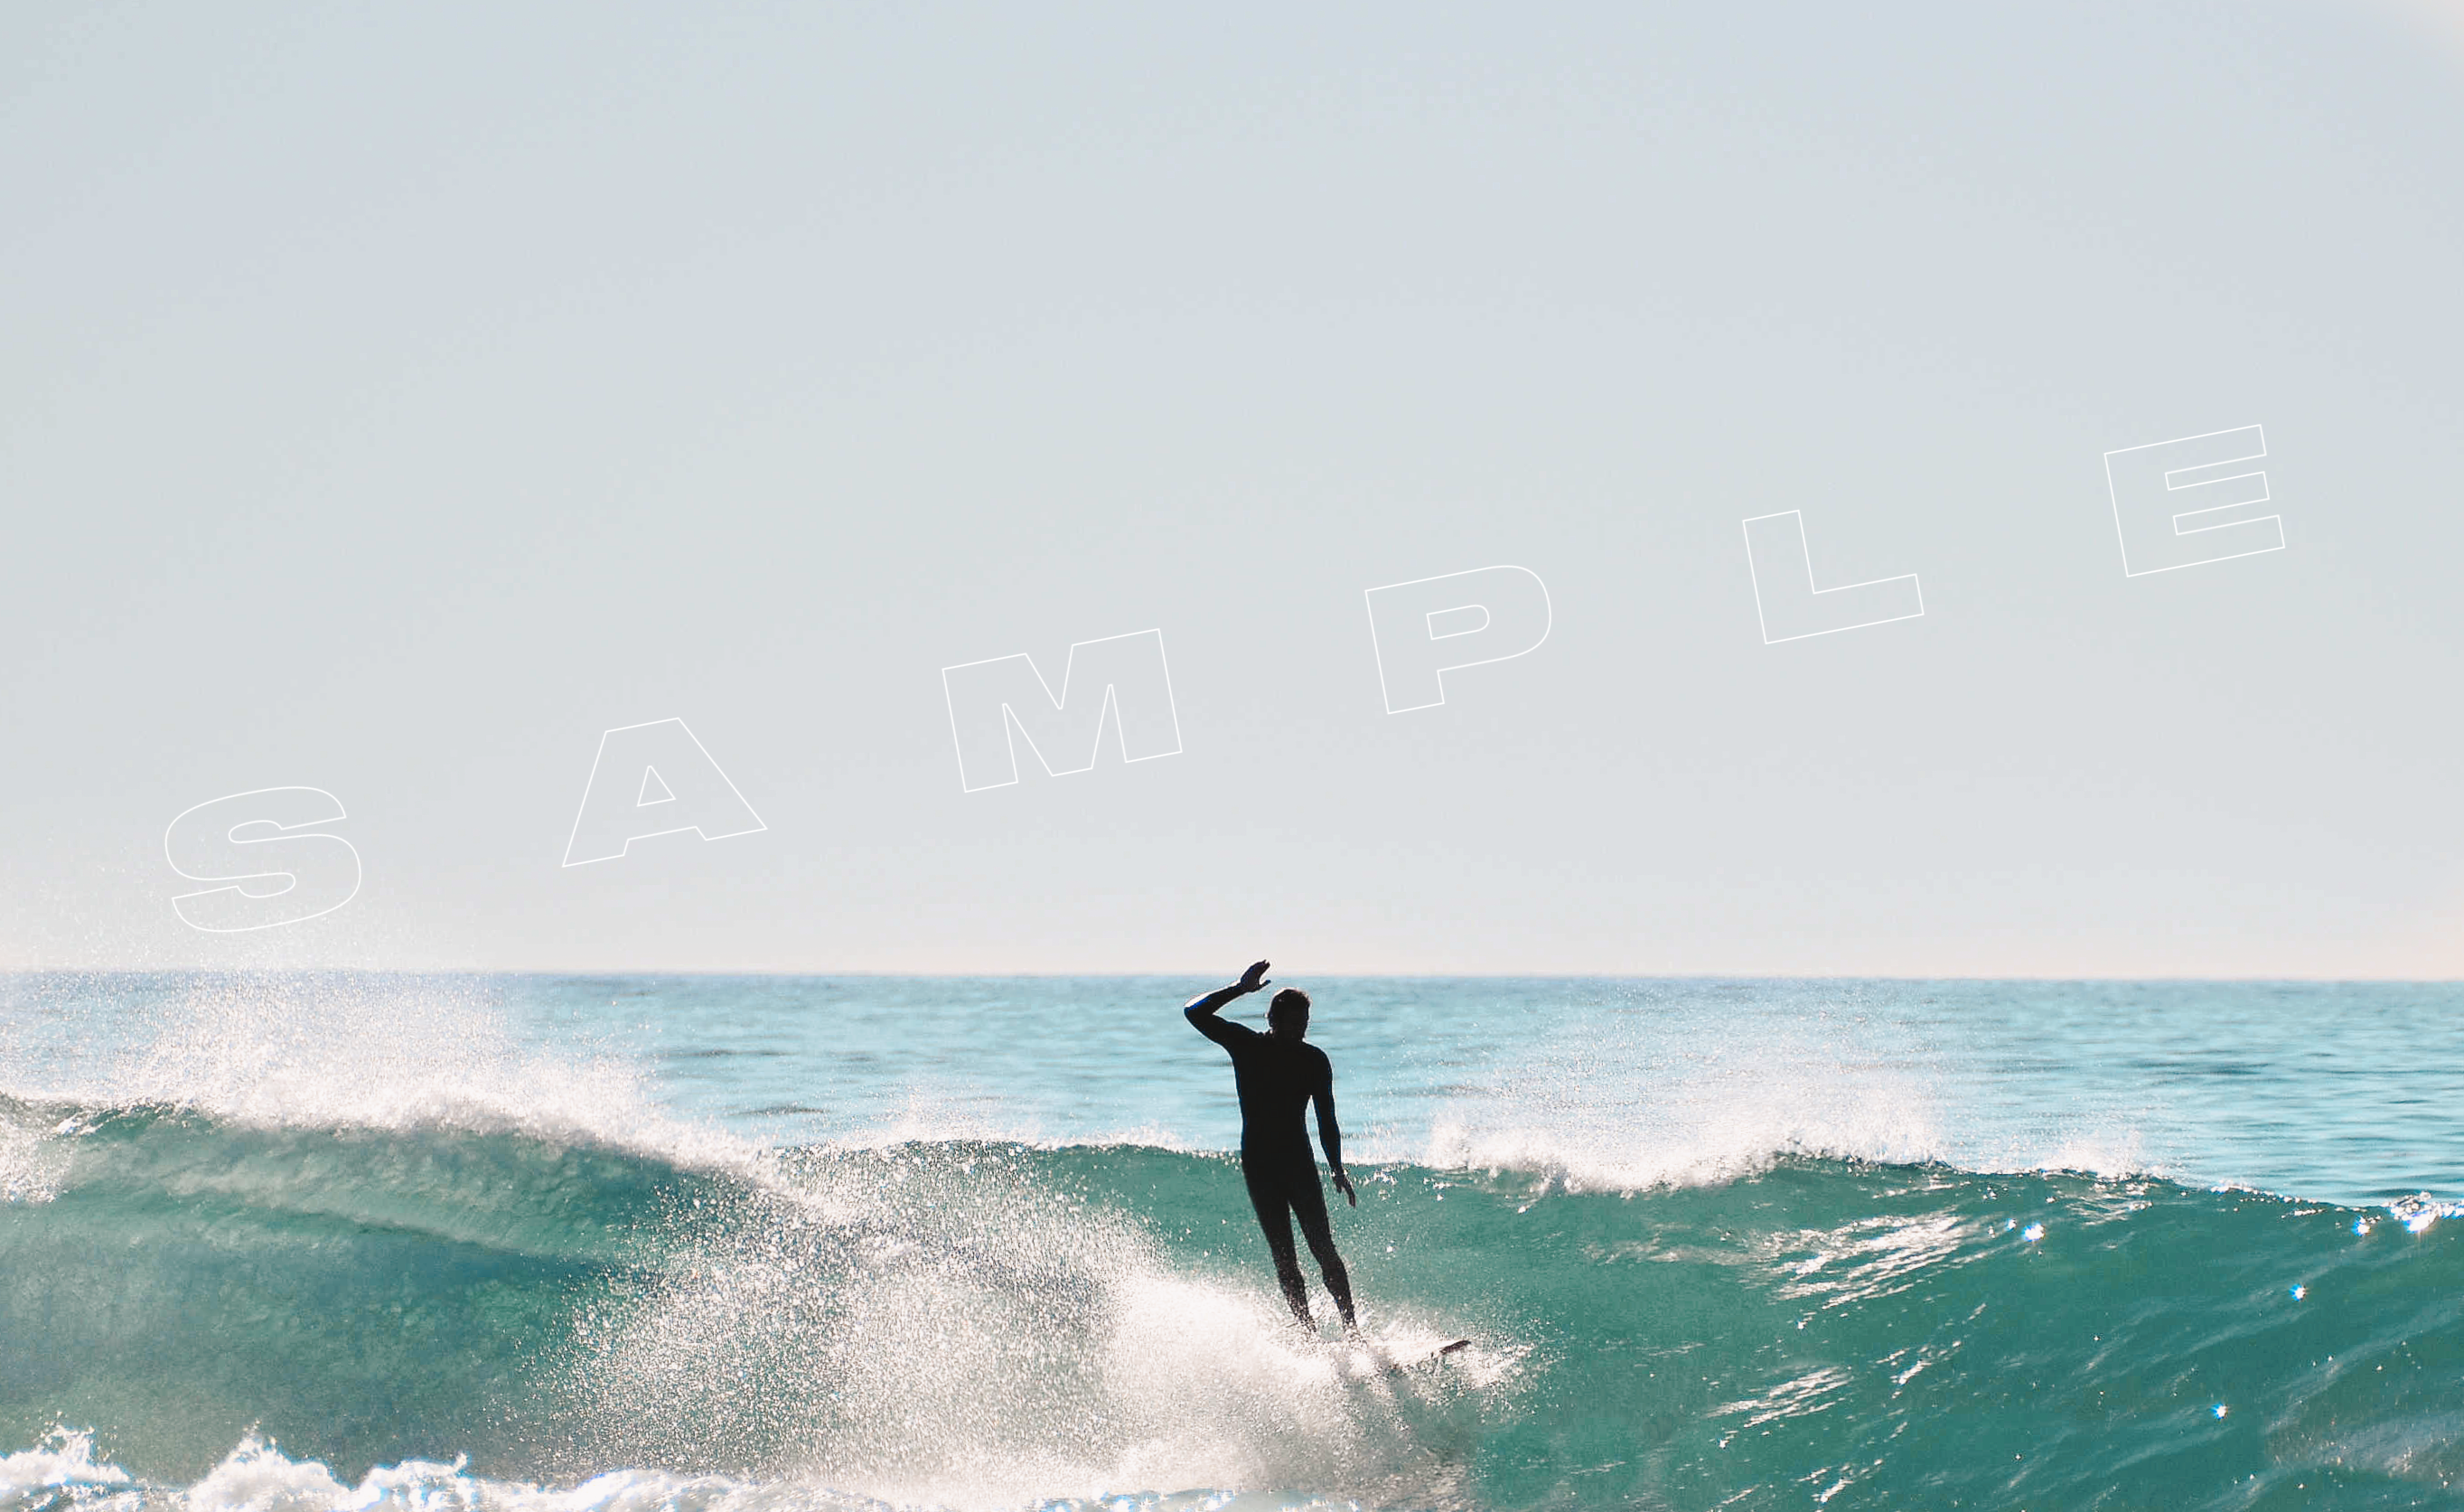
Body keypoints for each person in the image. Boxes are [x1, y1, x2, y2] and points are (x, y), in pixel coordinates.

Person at [1183, 959, 1358, 1332]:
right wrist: (1238, 988)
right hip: (1260, 1166)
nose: (1299, 1031)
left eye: (1304, 1024)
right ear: (1272, 1019)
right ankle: (1309, 1335)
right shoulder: (1246, 1045)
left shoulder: (1314, 1060)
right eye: (1293, 1023)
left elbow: (1326, 1118)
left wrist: (1337, 1166)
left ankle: (1352, 1331)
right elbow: (1193, 1012)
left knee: (1323, 1248)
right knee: (1284, 1258)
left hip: (1298, 1164)